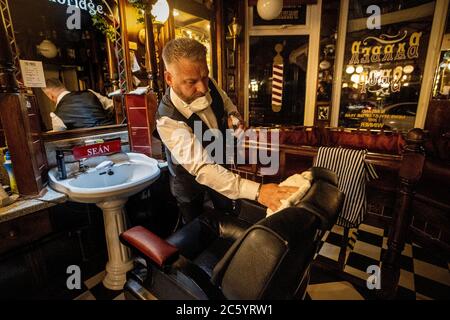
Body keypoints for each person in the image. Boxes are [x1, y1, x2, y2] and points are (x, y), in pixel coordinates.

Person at [156, 38, 298, 224]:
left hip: (220, 160)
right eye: (191, 82)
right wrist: (258, 192)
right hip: (188, 181)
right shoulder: (167, 119)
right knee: (196, 225)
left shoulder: (209, 84)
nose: (203, 88)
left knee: (227, 210)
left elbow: (226, 102)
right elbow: (203, 168)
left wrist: (234, 115)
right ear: (169, 78)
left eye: (205, 77)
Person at [42, 78, 114, 130]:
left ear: (51, 96)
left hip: (87, 147)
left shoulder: (56, 116)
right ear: (63, 87)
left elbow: (60, 140)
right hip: (112, 136)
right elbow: (112, 104)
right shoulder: (90, 92)